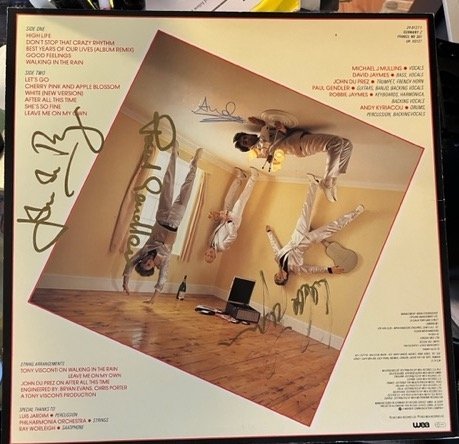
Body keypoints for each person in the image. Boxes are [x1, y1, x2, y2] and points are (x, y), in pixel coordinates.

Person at [122, 143, 202, 302]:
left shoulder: (143, 252)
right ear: (153, 267)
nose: (147, 262)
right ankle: (194, 164)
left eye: (143, 263)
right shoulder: (163, 261)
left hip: (161, 216)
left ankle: (174, 153)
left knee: (168, 183)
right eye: (148, 265)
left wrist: (125, 282)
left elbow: (130, 264)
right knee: (187, 189)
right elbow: (162, 280)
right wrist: (153, 300)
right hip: (175, 221)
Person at [266, 174, 364, 286]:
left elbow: (275, 247)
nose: (278, 275)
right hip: (309, 240)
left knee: (305, 210)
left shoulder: (278, 258)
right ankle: (356, 213)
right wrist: (329, 270)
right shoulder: (296, 269)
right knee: (333, 227)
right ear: (285, 278)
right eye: (279, 278)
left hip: (298, 234)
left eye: (276, 276)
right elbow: (312, 269)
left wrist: (269, 233)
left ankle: (314, 183)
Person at [233, 116, 353, 202]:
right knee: (335, 142)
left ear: (248, 134)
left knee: (347, 144)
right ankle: (327, 182)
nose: (247, 139)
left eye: (245, 137)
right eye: (245, 142)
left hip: (300, 139)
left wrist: (282, 128)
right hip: (299, 145)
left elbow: (282, 135)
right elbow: (266, 140)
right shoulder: (258, 150)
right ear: (248, 148)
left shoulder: (264, 137)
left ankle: (333, 179)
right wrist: (262, 124)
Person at [204, 166, 259, 263]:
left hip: (224, 217)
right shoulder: (223, 247)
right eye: (211, 256)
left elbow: (218, 227)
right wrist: (228, 221)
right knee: (241, 200)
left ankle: (240, 177)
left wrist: (217, 217)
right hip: (233, 221)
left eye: (208, 254)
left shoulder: (210, 241)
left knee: (228, 199)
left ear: (206, 252)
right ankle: (254, 178)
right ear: (215, 256)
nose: (210, 253)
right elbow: (233, 235)